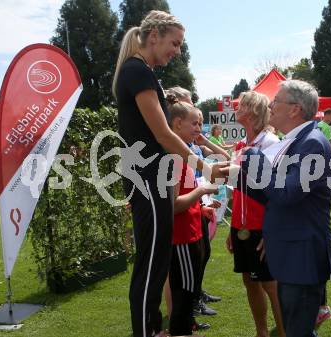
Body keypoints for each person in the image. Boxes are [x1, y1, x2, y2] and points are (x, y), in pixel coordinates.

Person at [112, 10, 227, 337]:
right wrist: (204, 166)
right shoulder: (137, 72)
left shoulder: (141, 72)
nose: (177, 50)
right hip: (148, 179)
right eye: (174, 43)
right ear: (154, 36)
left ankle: (151, 328)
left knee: (157, 262)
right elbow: (163, 134)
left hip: (152, 178)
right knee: (150, 266)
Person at [237, 80, 331, 337]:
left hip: (301, 258)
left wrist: (254, 159)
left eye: (276, 101)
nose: (271, 105)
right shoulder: (296, 140)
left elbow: (286, 193)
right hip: (292, 253)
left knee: (297, 331)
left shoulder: (311, 142)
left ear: (294, 109)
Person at [225, 91, 285, 337]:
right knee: (249, 282)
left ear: (254, 110)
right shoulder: (241, 145)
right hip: (241, 225)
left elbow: (279, 193)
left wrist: (272, 232)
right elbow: (236, 190)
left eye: (243, 104)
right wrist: (232, 227)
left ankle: (283, 332)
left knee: (271, 285)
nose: (237, 107)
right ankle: (261, 332)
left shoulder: (271, 143)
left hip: (263, 228)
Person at [166, 95, 217, 337]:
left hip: (191, 232)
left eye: (200, 124)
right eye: (194, 124)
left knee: (187, 296)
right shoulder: (174, 157)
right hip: (182, 239)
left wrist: (201, 207)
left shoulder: (183, 153)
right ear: (177, 124)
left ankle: (187, 328)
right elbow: (173, 205)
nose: (199, 129)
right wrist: (202, 191)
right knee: (184, 297)